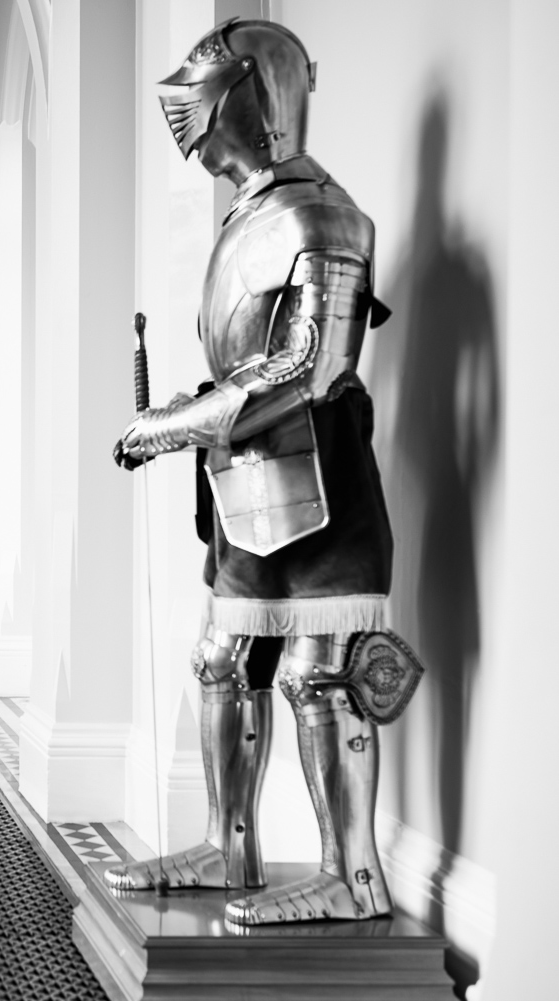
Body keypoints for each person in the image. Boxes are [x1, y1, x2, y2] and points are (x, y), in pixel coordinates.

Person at [110, 19, 422, 925]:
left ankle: (352, 875)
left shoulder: (321, 216)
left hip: (323, 479)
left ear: (255, 96)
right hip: (247, 478)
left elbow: (310, 370)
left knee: (319, 675)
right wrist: (183, 419)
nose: (192, 120)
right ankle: (228, 843)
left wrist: (171, 424)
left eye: (208, 93)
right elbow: (248, 362)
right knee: (222, 662)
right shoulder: (247, 219)